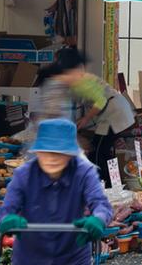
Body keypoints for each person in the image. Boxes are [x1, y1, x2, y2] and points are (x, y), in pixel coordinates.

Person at [0, 119, 112, 265]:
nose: (52, 158)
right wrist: (8, 220)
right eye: (46, 152)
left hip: (72, 251)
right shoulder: (23, 175)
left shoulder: (84, 172)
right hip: (31, 254)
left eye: (60, 153)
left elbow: (100, 204)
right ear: (37, 152)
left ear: (71, 154)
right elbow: (4, 211)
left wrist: (98, 219)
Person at [30, 48, 132, 176]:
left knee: (99, 152)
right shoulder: (65, 82)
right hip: (111, 113)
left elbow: (101, 101)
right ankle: (107, 183)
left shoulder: (81, 82)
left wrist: (85, 119)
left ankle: (106, 184)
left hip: (114, 112)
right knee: (99, 150)